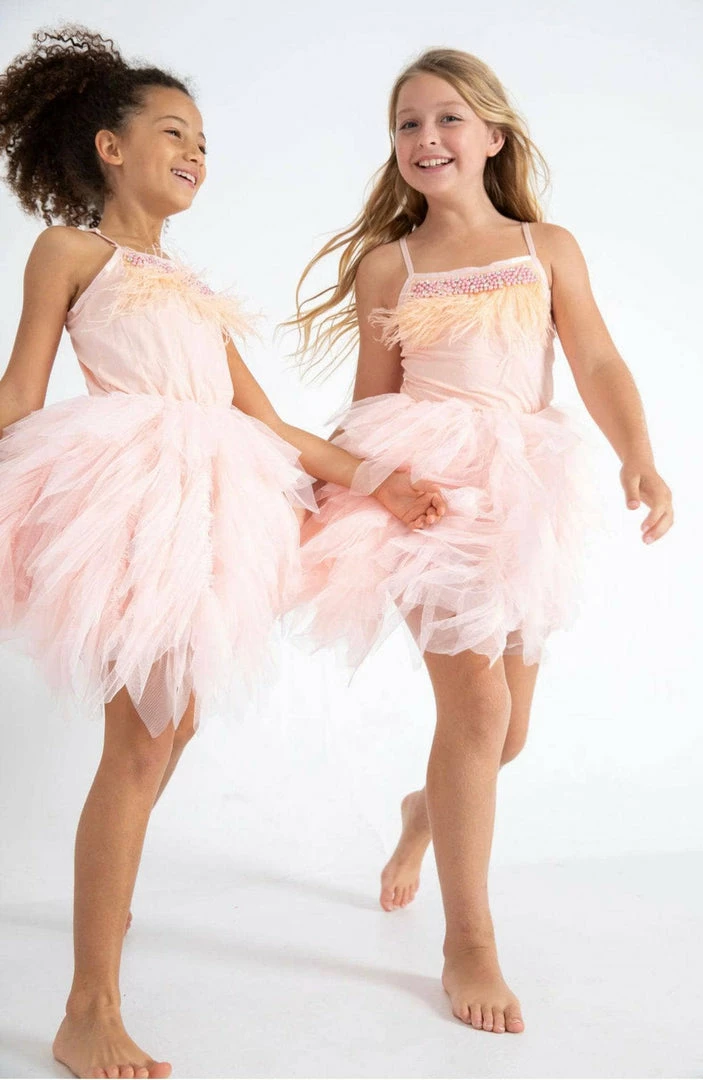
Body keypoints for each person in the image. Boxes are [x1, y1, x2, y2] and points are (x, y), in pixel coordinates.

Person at [0, 26, 445, 1079]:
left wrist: (377, 478)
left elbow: (269, 423)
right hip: (131, 497)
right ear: (110, 147)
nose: (195, 151)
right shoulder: (71, 252)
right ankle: (88, 1006)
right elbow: (22, 391)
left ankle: (106, 901)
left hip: (214, 503)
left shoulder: (193, 288)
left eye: (203, 140)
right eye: (173, 132)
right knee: (141, 739)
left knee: (176, 722)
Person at [289, 47, 674, 1034]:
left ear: (494, 136)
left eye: (448, 118)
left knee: (508, 733)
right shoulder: (392, 264)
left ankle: (426, 813)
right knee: (477, 702)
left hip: (525, 489)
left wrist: (637, 455)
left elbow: (596, 358)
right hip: (425, 493)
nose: (427, 138)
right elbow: (371, 401)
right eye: (408, 124)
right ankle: (470, 941)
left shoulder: (547, 247)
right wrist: (340, 490)